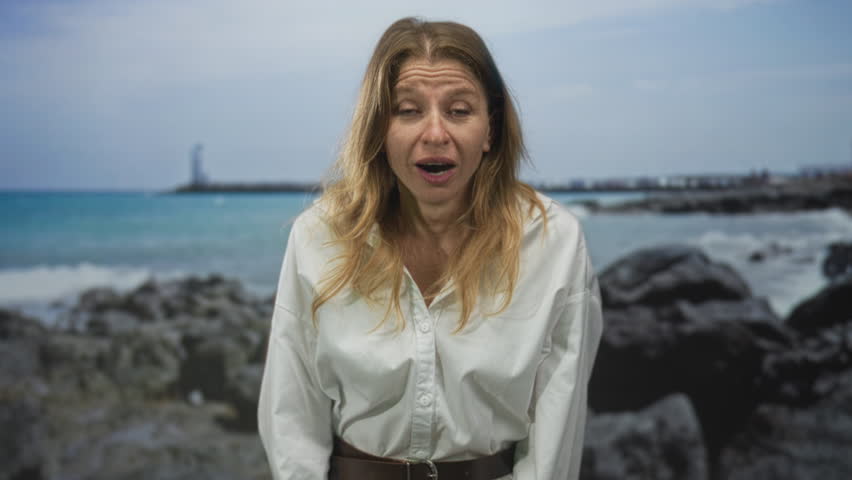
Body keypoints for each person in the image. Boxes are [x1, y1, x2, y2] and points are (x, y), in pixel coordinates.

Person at [258, 17, 603, 480]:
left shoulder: (553, 242)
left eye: (459, 111)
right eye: (408, 111)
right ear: (380, 129)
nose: (435, 133)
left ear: (490, 130)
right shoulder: (318, 236)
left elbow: (556, 432)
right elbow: (291, 416)